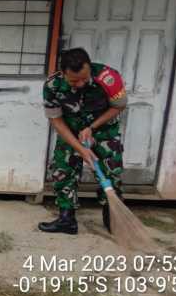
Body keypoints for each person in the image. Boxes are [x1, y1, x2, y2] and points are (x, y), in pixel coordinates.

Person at [39, 48, 128, 235]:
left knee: (111, 173)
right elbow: (56, 120)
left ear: (90, 68)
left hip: (104, 132)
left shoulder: (108, 77)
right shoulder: (52, 86)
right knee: (62, 170)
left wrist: (92, 128)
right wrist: (80, 148)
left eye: (84, 78)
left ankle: (112, 218)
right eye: (73, 80)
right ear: (63, 73)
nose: (80, 84)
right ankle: (67, 219)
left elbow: (119, 106)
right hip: (71, 132)